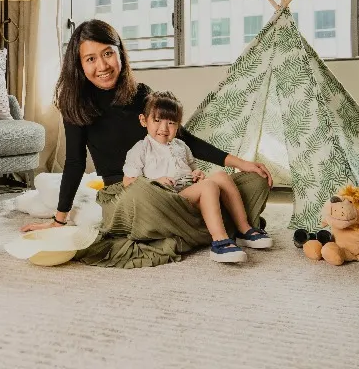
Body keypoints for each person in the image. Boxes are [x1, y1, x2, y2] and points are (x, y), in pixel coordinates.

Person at [21, 19, 272, 269]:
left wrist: (241, 163)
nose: (102, 65)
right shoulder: (75, 105)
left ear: (120, 52)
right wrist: (59, 220)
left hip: (173, 189)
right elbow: (75, 163)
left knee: (252, 181)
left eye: (108, 53)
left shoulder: (141, 94)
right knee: (144, 189)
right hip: (131, 195)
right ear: (79, 65)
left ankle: (217, 226)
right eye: (90, 59)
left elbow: (184, 139)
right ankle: (215, 225)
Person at [122, 90, 273, 263]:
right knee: (209, 186)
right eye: (157, 120)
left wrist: (197, 174)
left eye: (171, 123)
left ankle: (244, 229)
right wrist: (155, 182)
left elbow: (193, 169)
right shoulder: (141, 149)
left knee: (221, 176)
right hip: (167, 199)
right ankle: (220, 241)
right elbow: (128, 182)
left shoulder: (181, 146)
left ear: (178, 125)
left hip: (189, 194)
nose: (164, 128)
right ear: (144, 120)